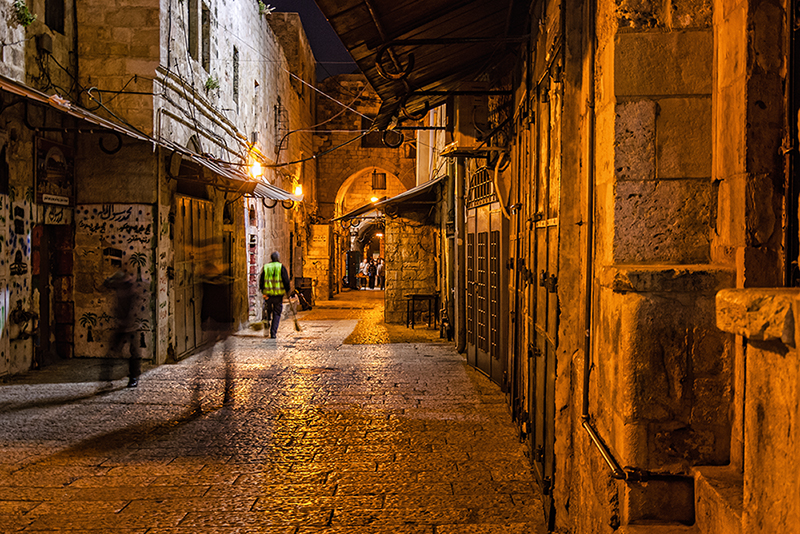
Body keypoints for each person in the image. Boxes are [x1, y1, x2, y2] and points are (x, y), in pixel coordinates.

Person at [101, 269, 141, 388]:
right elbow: (105, 284)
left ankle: (133, 378)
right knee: (114, 352)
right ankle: (107, 380)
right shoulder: (121, 286)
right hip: (122, 325)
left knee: (134, 353)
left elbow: (134, 310)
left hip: (131, 326)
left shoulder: (132, 291)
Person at [259, 251, 291, 338]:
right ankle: (273, 332)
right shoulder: (281, 267)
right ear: (278, 258)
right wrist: (288, 291)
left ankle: (267, 320)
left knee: (267, 310)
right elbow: (286, 280)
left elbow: (261, 280)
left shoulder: (266, 267)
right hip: (278, 295)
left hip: (268, 295)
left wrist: (262, 291)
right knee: (277, 313)